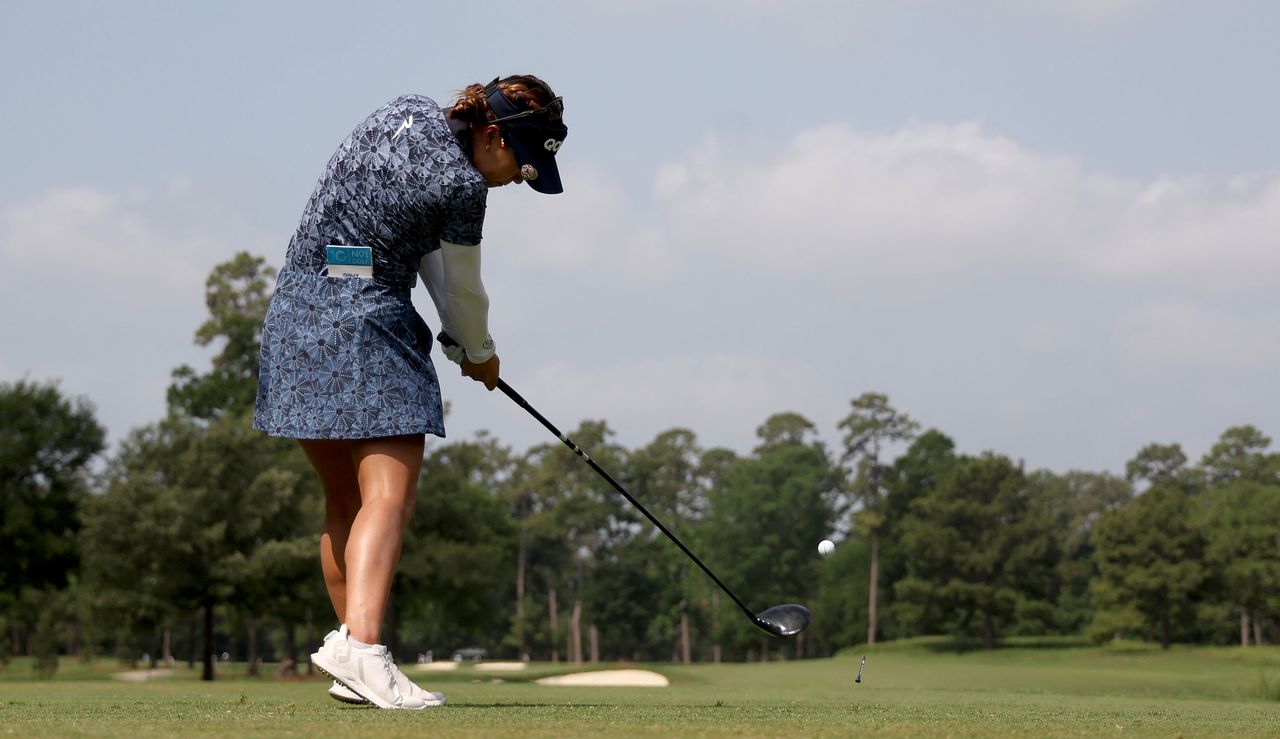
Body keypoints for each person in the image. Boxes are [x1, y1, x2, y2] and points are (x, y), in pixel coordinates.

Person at [253, 75, 567, 709]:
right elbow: (464, 287)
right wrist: (478, 352)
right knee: (389, 497)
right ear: (494, 135)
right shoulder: (463, 187)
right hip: (365, 321)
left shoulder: (404, 110)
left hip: (295, 315)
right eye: (519, 163)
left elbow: (394, 238)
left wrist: (457, 336)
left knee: (345, 501)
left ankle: (354, 662)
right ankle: (363, 651)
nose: (515, 180)